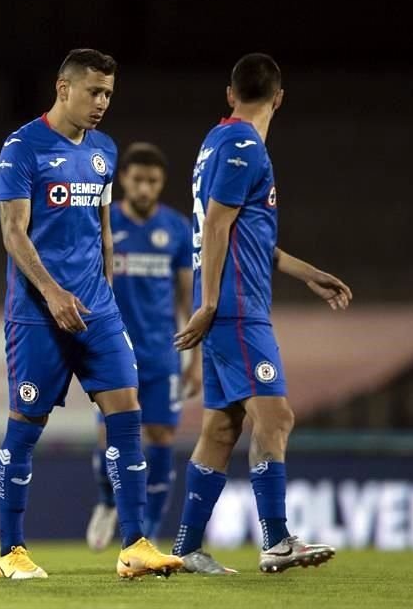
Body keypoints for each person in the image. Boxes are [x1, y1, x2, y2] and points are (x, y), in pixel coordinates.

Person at [0, 48, 184, 580]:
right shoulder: (21, 148)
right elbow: (13, 233)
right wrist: (53, 293)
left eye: (108, 94)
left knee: (127, 416)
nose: (102, 103)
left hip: (98, 310)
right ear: (63, 88)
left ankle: (136, 543)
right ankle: (11, 551)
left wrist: (107, 293)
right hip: (37, 314)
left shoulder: (103, 150)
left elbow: (103, 230)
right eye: (94, 92)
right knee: (25, 427)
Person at [172, 53, 352, 574]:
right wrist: (208, 303)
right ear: (279, 97)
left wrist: (306, 272)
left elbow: (250, 237)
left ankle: (185, 548)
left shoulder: (216, 141)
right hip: (235, 308)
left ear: (231, 94)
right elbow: (218, 228)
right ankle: (276, 539)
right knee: (276, 417)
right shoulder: (244, 146)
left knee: (222, 429)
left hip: (231, 303)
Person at [86, 142, 200, 552]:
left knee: (161, 436)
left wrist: (195, 360)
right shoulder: (104, 222)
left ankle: (148, 533)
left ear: (162, 182)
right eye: (137, 179)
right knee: (108, 440)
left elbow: (189, 300)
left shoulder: (176, 229)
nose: (145, 187)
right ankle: (105, 502)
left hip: (161, 354)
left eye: (152, 181)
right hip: (113, 349)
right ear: (123, 180)